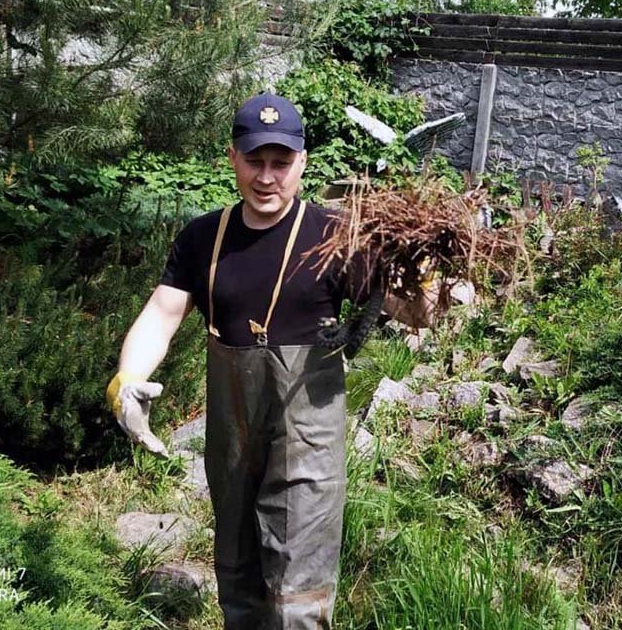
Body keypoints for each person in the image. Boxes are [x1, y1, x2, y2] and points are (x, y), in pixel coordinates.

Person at [107, 92, 438, 630]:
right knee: (239, 582)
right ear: (232, 158)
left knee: (297, 598)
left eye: (281, 163)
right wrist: (128, 381)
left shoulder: (336, 236)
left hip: (308, 446)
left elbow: (418, 314)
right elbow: (161, 316)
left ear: (301, 163)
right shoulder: (202, 238)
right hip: (233, 445)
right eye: (255, 161)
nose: (267, 177)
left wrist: (416, 265)